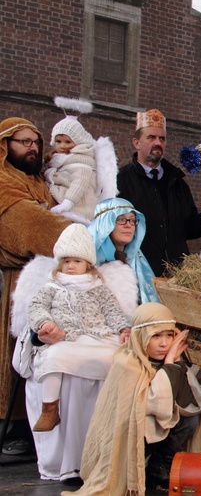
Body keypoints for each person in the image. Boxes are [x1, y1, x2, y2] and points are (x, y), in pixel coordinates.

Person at [63, 303, 201, 495]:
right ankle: (137, 469)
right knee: (145, 421)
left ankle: (158, 468)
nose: (164, 343)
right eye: (156, 336)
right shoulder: (127, 364)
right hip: (133, 432)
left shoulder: (169, 361)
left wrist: (176, 364)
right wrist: (170, 364)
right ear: (141, 335)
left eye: (169, 335)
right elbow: (152, 404)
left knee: (190, 419)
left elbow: (185, 402)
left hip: (156, 433)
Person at [0, 117, 70, 456]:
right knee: (11, 353)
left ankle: (33, 422)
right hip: (12, 283)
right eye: (22, 141)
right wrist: (79, 232)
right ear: (5, 146)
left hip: (48, 277)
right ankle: (10, 425)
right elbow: (30, 224)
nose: (31, 147)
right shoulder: (3, 181)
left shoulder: (40, 182)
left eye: (34, 142)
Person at [27, 224, 131, 433]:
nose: (71, 266)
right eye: (66, 261)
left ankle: (112, 410)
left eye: (77, 261)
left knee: (117, 358)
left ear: (88, 264)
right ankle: (50, 408)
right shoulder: (53, 286)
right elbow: (36, 306)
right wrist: (45, 322)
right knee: (53, 357)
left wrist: (123, 328)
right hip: (66, 338)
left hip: (97, 336)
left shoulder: (98, 287)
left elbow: (112, 311)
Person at [117, 109, 201, 277]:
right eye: (151, 137)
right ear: (136, 143)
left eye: (161, 139)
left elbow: (191, 229)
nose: (157, 143)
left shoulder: (178, 182)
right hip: (139, 274)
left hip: (176, 275)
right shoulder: (121, 181)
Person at [88, 197, 159, 305]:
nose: (128, 225)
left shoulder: (137, 259)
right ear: (105, 223)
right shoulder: (88, 258)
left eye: (132, 220)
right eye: (121, 219)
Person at [43, 100, 100, 225]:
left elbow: (79, 184)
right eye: (58, 141)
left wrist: (66, 204)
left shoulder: (82, 162)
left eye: (68, 142)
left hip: (78, 210)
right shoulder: (57, 160)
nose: (62, 146)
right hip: (63, 206)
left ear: (78, 142)